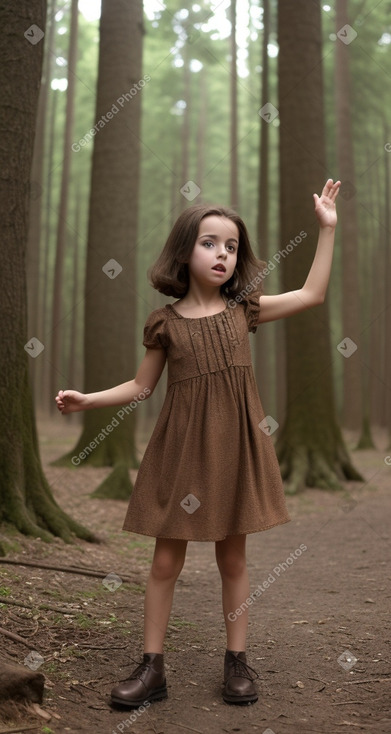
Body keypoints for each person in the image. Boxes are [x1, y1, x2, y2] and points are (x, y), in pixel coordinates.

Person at [55, 179, 340, 707]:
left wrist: (325, 231)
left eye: (232, 247)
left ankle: (237, 664)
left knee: (234, 561)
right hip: (182, 453)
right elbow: (141, 386)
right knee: (165, 562)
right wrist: (87, 400)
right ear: (184, 251)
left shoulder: (244, 310)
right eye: (210, 243)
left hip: (236, 450)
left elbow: (311, 295)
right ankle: (152, 668)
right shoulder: (164, 323)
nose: (222, 254)